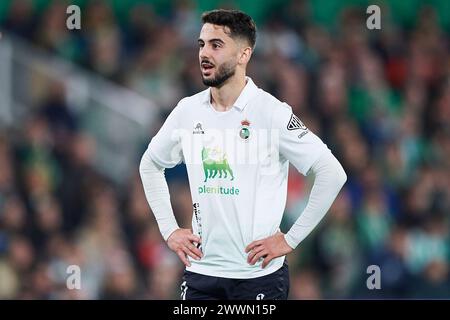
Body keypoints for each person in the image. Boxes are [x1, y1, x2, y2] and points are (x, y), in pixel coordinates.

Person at [139, 9, 347, 300]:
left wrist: (290, 239)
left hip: (258, 278)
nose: (204, 54)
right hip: (202, 275)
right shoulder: (187, 111)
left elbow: (332, 172)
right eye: (201, 45)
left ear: (243, 55)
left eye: (216, 45)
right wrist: (169, 230)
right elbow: (150, 164)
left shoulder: (271, 113)